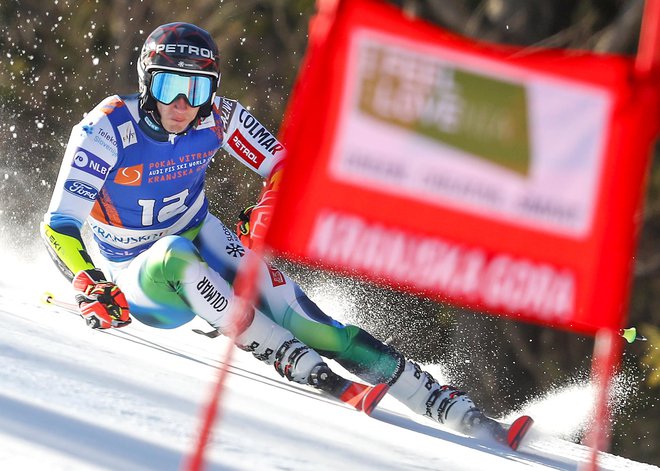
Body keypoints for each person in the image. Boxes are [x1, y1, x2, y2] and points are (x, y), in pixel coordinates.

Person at [41, 22, 504, 441]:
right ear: (146, 82)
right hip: (135, 273)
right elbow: (59, 224)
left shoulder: (219, 116)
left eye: (197, 88)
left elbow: (287, 168)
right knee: (174, 253)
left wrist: (268, 208)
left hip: (202, 229)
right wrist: (87, 281)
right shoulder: (106, 130)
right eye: (168, 85)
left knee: (310, 322)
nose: (182, 104)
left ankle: (437, 399)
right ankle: (285, 355)